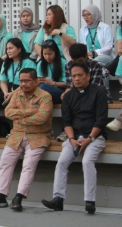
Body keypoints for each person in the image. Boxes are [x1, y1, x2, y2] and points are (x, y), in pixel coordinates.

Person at [41, 61, 108, 215]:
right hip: (74, 137)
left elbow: (101, 119)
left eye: (80, 75)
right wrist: (71, 139)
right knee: (62, 161)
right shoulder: (69, 96)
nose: (77, 79)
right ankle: (58, 199)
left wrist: (89, 138)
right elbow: (67, 121)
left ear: (88, 76)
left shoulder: (99, 92)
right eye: (74, 76)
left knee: (87, 161)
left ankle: (90, 201)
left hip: (95, 137)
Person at [0, 69, 52, 211]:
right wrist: (31, 112)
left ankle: (18, 197)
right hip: (17, 135)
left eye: (27, 81)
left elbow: (42, 118)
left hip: (38, 136)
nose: (23, 84)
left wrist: (20, 117)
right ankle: (1, 196)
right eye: (21, 81)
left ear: (36, 81)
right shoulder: (16, 94)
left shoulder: (45, 96)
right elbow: (8, 112)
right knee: (5, 162)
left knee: (28, 165)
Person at [0, 38, 36, 138]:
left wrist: (13, 93)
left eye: (11, 48)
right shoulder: (6, 63)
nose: (8, 51)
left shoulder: (28, 62)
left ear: (19, 49)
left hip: (24, 88)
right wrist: (5, 93)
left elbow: (29, 82)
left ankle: (16, 130)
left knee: (17, 100)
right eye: (7, 49)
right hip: (8, 89)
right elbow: (3, 81)